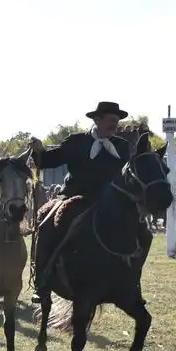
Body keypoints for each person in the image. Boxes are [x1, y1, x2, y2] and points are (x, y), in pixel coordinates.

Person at [27, 101, 135, 305]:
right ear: (97, 120)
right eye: (111, 120)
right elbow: (48, 161)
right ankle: (42, 283)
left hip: (109, 202)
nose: (115, 124)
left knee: (141, 232)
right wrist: (39, 151)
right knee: (46, 223)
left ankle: (131, 284)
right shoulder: (76, 141)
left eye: (117, 121)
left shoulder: (122, 146)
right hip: (75, 198)